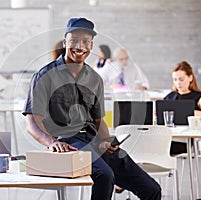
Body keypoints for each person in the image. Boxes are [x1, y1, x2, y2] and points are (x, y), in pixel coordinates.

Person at [23, 17, 161, 200]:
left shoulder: (94, 79)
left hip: (93, 141)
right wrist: (51, 142)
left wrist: (107, 140)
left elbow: (97, 120)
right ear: (65, 42)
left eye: (86, 41)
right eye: (74, 41)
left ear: (91, 46)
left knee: (152, 189)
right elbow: (31, 121)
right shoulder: (45, 75)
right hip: (68, 143)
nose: (80, 46)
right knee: (104, 175)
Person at [164, 61, 201, 155]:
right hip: (169, 139)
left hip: (188, 142)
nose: (178, 83)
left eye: (181, 79)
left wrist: (187, 112)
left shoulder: (199, 97)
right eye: (175, 79)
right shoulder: (170, 97)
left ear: (190, 78)